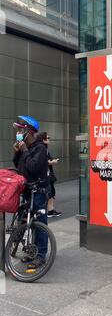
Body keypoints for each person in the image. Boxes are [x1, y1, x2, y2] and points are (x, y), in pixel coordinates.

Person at [13, 115, 49, 269]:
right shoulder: (25, 149)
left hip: (39, 191)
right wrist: (17, 153)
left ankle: (41, 255)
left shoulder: (40, 148)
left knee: (40, 223)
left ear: (29, 132)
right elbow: (20, 166)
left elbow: (33, 167)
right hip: (27, 190)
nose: (18, 133)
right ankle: (31, 251)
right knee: (29, 223)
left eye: (21, 130)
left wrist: (25, 151)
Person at [37, 132, 62, 218]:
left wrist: (52, 161)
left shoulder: (44, 148)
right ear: (43, 139)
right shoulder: (42, 148)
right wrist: (52, 162)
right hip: (45, 175)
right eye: (48, 138)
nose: (49, 139)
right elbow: (44, 161)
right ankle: (49, 211)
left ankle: (50, 210)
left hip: (47, 174)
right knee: (49, 192)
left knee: (51, 192)